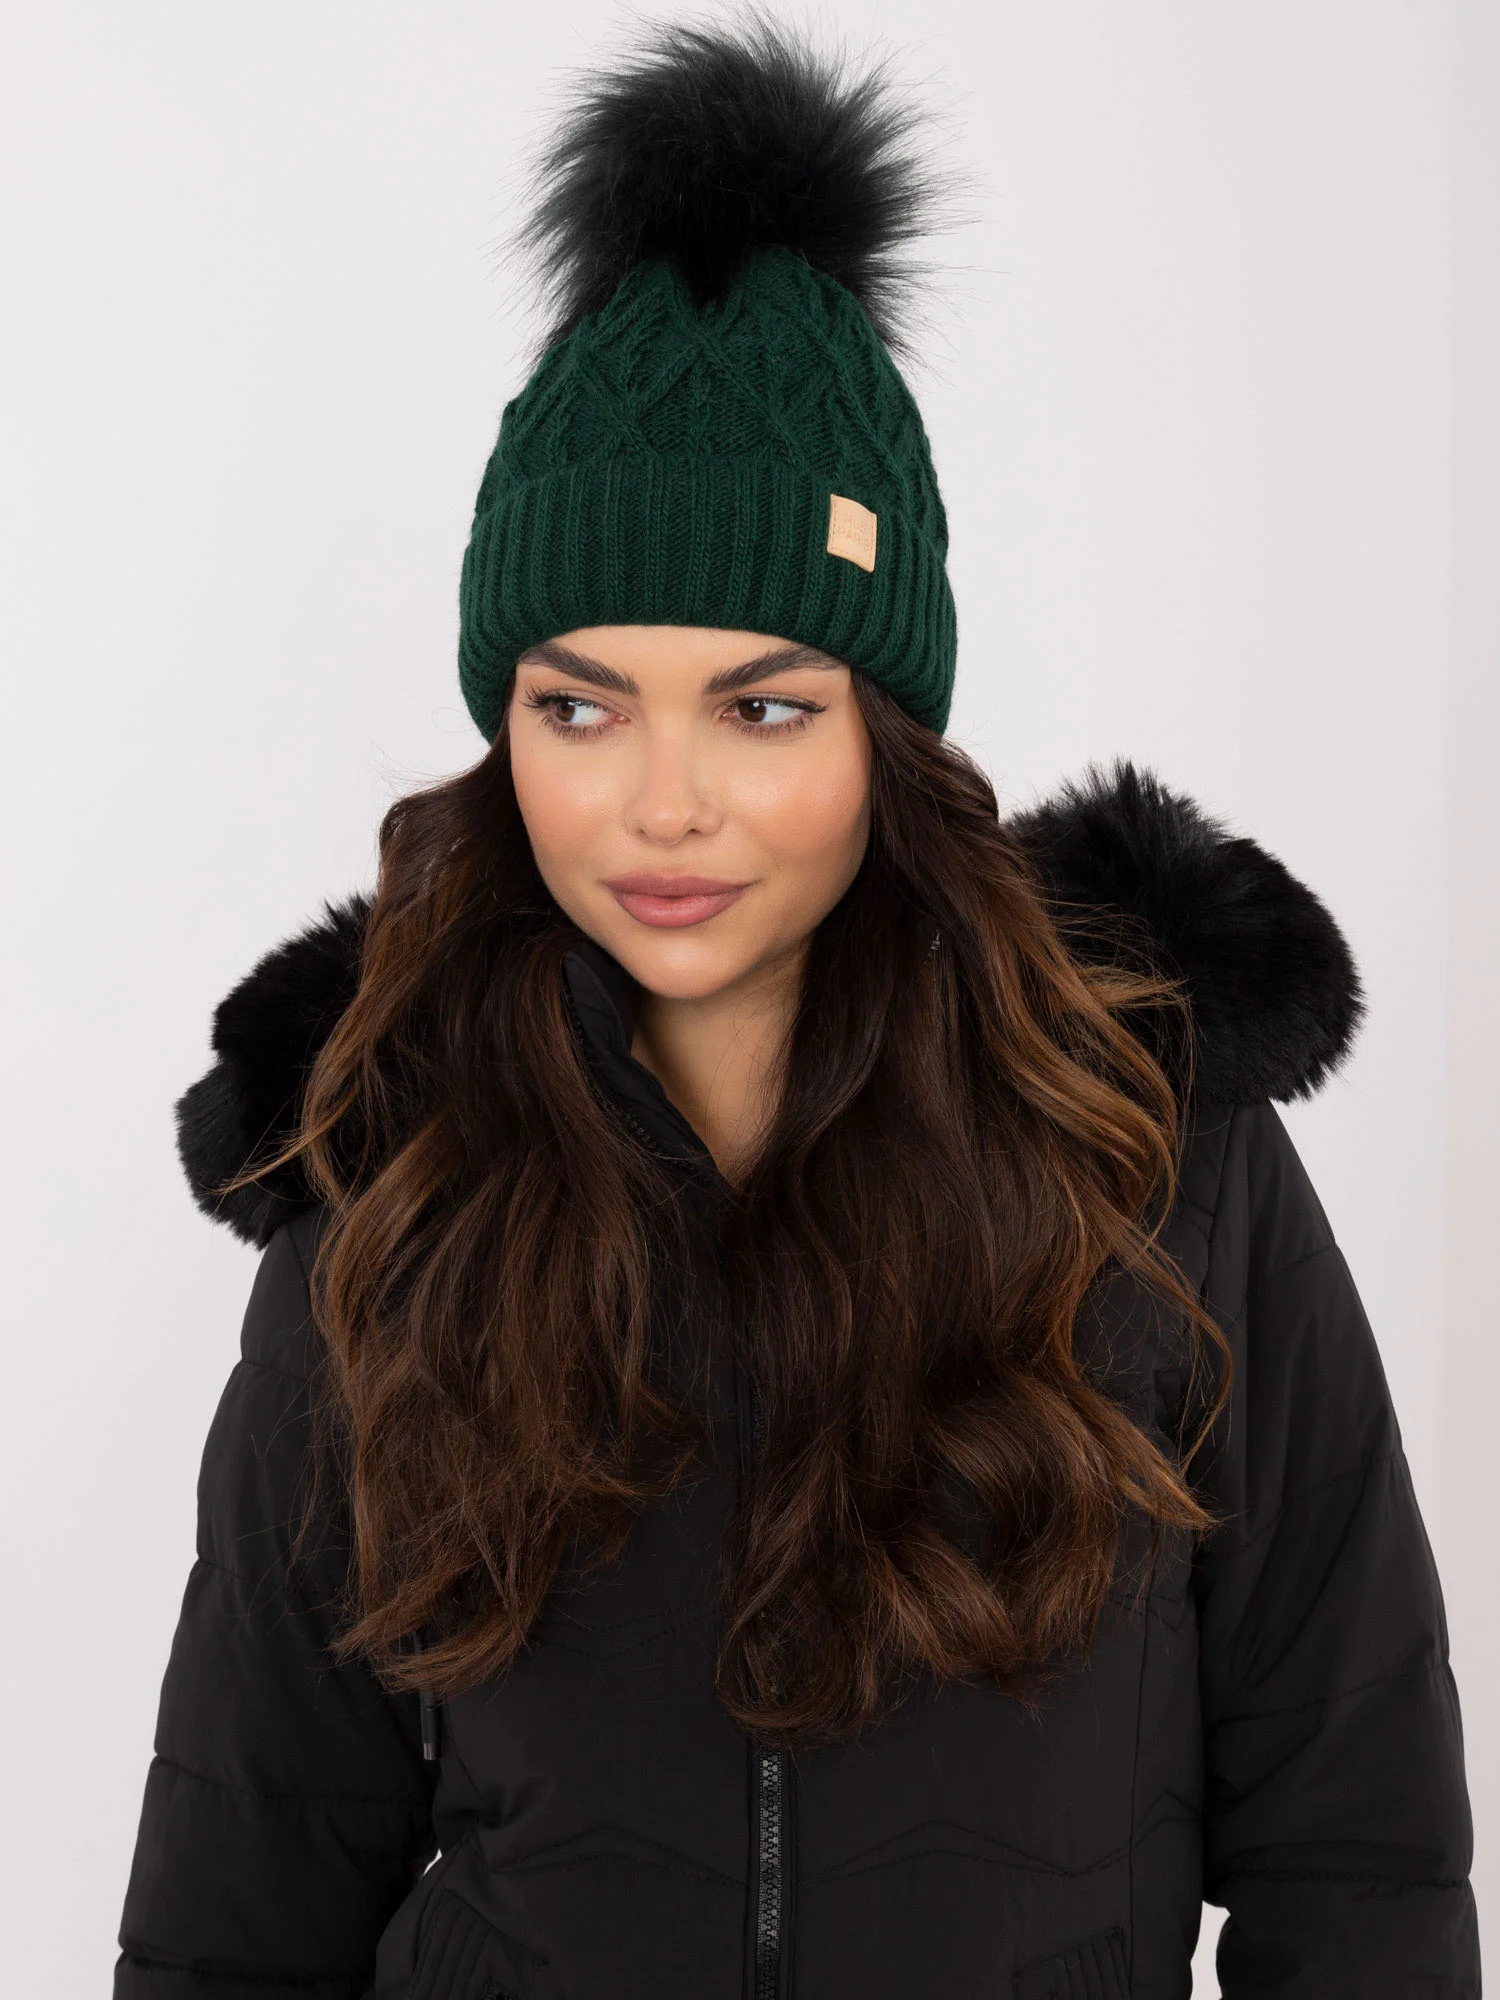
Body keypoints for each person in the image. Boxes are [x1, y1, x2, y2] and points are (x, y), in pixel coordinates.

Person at [113, 19, 1477, 1999]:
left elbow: (1354, 1839)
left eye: (762, 706)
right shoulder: (387, 1187)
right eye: (581, 706)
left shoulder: (1153, 1159)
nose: (663, 803)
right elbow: (249, 1875)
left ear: (882, 731)